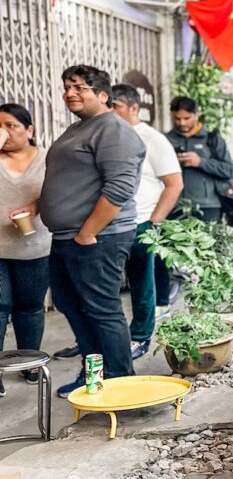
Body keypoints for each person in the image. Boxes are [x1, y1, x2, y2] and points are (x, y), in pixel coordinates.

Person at [39, 65, 145, 397]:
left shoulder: (113, 130)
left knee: (101, 309)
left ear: (103, 95)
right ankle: (95, 378)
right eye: (67, 86)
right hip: (67, 236)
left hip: (100, 237)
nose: (70, 92)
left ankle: (119, 382)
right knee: (72, 305)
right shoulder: (80, 128)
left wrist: (88, 232)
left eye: (80, 87)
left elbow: (120, 187)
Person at [110, 84, 183, 361]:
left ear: (134, 108)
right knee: (104, 287)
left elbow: (174, 184)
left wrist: (153, 222)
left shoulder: (153, 139)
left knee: (142, 283)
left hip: (141, 221)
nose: (111, 112)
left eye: (116, 106)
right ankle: (97, 341)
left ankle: (140, 337)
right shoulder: (105, 135)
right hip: (108, 223)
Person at [0, 103, 51, 394]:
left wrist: (34, 207)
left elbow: (58, 193)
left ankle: (29, 363)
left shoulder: (47, 158)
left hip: (35, 245)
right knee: (0, 306)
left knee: (30, 308)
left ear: (29, 130)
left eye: (11, 125)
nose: (4, 132)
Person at [164, 96, 233, 221]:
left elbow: (229, 170)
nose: (182, 123)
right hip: (174, 206)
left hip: (208, 207)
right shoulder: (165, 139)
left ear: (196, 115)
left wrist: (200, 162)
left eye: (186, 118)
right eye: (177, 119)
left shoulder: (213, 139)